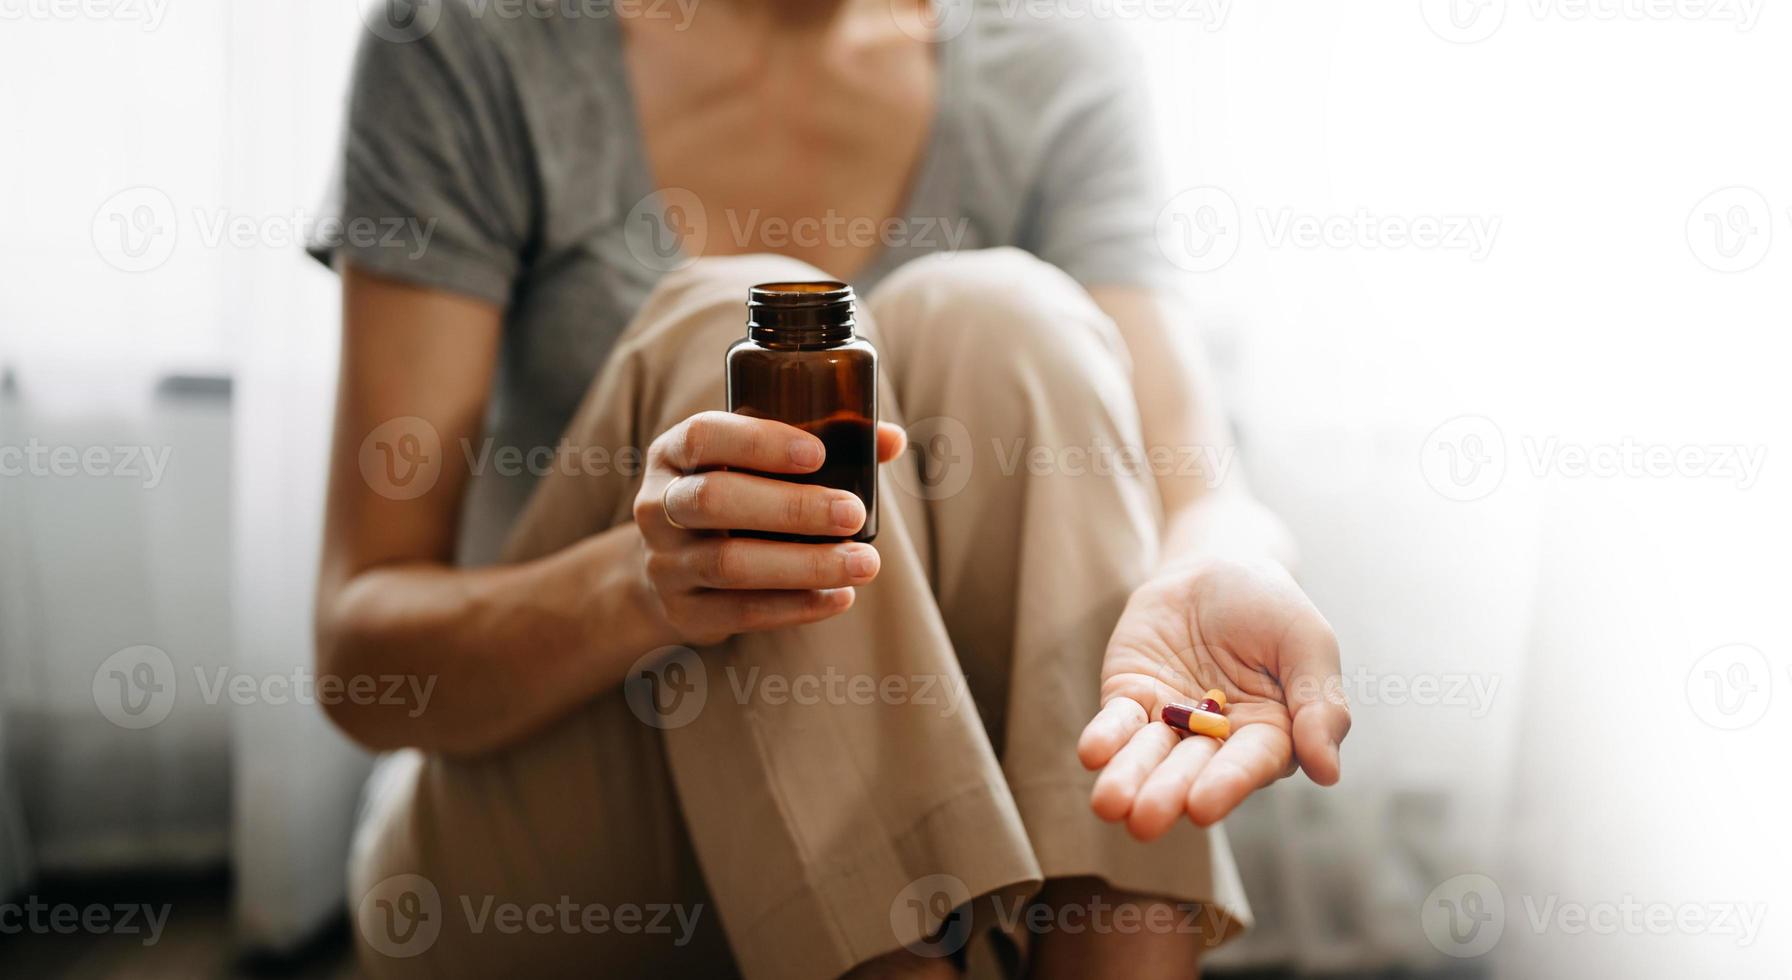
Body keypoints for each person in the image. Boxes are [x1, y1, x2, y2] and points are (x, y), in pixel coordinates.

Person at [308, 0, 1350, 976]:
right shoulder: (472, 38)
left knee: (1007, 316)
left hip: (971, 864)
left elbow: (1197, 488)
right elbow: (363, 652)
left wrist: (1228, 563)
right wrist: (645, 583)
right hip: (557, 844)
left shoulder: (1051, 61)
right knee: (736, 326)